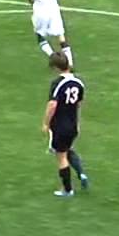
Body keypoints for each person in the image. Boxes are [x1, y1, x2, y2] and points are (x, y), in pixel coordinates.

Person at [43, 52, 88, 197]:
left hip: (60, 126)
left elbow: (52, 105)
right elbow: (79, 105)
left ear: (56, 67)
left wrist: (45, 123)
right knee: (68, 149)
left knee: (61, 156)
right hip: (72, 124)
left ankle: (67, 189)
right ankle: (81, 173)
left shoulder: (57, 83)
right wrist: (78, 123)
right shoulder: (78, 83)